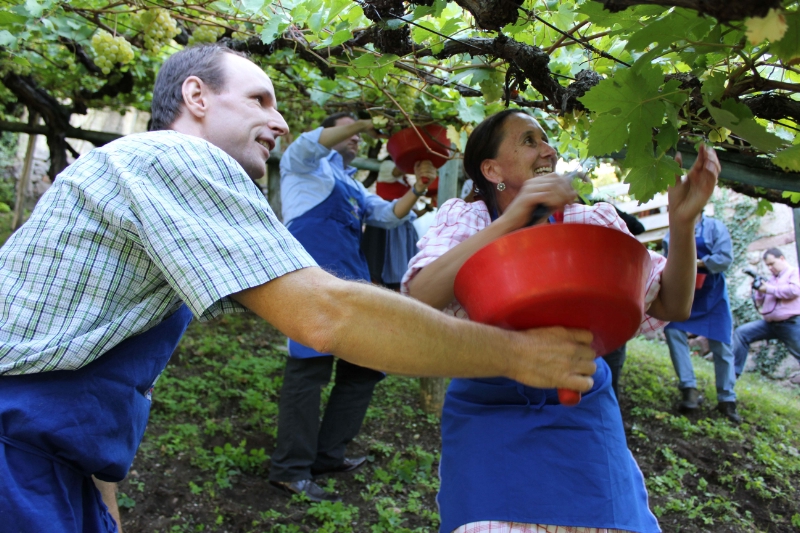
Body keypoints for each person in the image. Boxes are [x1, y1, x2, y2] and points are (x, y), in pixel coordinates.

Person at [0, 46, 601, 533]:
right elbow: (325, 313)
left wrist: (100, 499)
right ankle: (295, 465)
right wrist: (518, 354)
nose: (282, 121)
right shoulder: (173, 156)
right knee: (309, 377)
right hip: (17, 450)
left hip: (54, 463)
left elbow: (102, 365)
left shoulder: (159, 180)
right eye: (259, 99)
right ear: (196, 97)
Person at [402, 109, 720, 533]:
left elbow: (671, 305)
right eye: (529, 141)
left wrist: (683, 223)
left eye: (546, 140)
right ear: (492, 170)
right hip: (489, 407)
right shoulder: (468, 219)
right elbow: (420, 297)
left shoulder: (589, 220)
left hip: (582, 407)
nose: (548, 150)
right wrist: (514, 219)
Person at [268, 114, 440, 502]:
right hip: (309, 283)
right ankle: (290, 470)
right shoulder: (302, 164)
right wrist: (365, 122)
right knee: (309, 370)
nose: (357, 138)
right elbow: (313, 141)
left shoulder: (351, 185)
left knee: (365, 368)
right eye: (349, 130)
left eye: (359, 134)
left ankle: (327, 456)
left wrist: (419, 187)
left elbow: (389, 216)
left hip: (351, 286)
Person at [662, 213, 739, 423]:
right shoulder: (674, 231)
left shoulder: (715, 227)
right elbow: (667, 260)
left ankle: (727, 399)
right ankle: (689, 389)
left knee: (722, 343)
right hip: (684, 292)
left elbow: (724, 258)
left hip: (713, 295)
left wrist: (699, 263)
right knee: (673, 329)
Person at [733, 248, 800, 381]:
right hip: (770, 324)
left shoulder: (794, 272)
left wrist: (768, 289)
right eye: (767, 265)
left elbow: (794, 290)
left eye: (772, 263)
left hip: (790, 323)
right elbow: (760, 301)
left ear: (782, 259)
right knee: (741, 333)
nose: (770, 268)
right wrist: (758, 289)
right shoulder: (772, 279)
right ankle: (732, 375)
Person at [362, 159, 424, 290]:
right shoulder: (387, 166)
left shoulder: (406, 182)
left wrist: (427, 208)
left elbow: (413, 213)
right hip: (385, 224)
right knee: (379, 263)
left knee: (402, 265)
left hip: (403, 226)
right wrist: (414, 157)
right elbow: (397, 171)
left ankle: (399, 290)